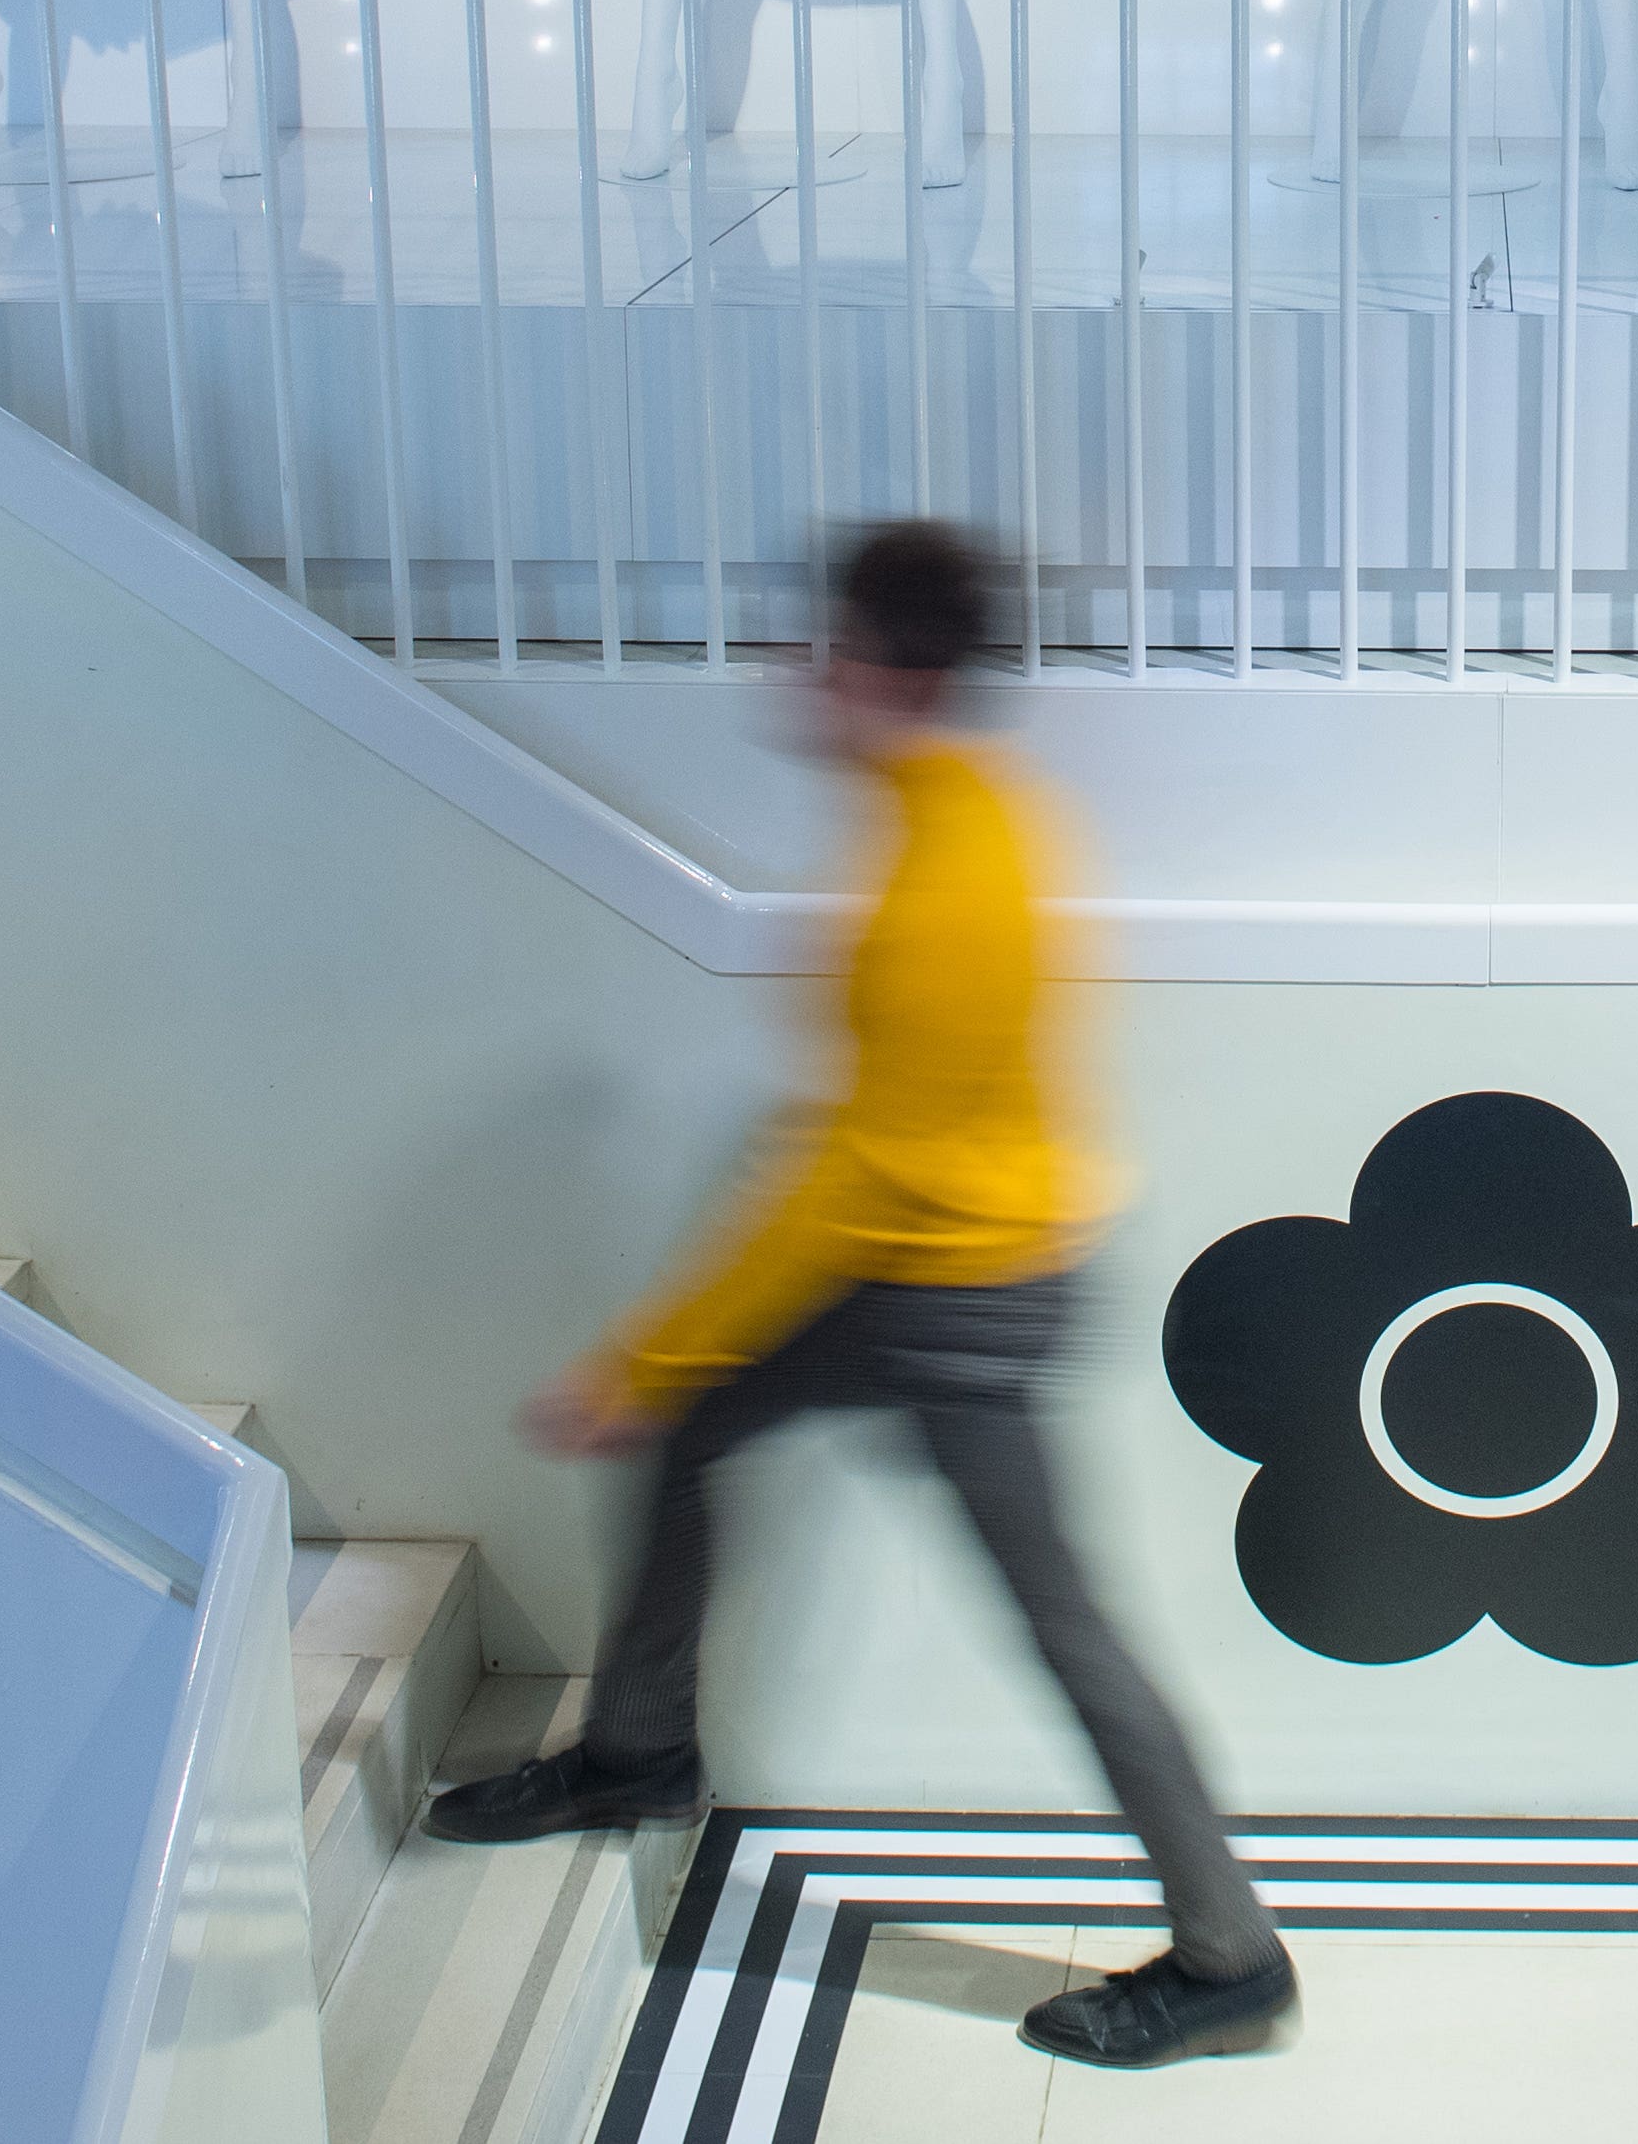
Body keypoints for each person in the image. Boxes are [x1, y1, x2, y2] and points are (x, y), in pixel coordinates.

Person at [427, 521, 1297, 2076]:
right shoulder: (952, 807)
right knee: (700, 1431)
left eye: (819, 639)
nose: (795, 664)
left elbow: (857, 1176)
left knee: (1056, 1620)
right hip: (950, 1259)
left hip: (953, 1293)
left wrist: (640, 1355)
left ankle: (1232, 1956)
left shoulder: (944, 877)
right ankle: (637, 1750)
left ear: (886, 667)